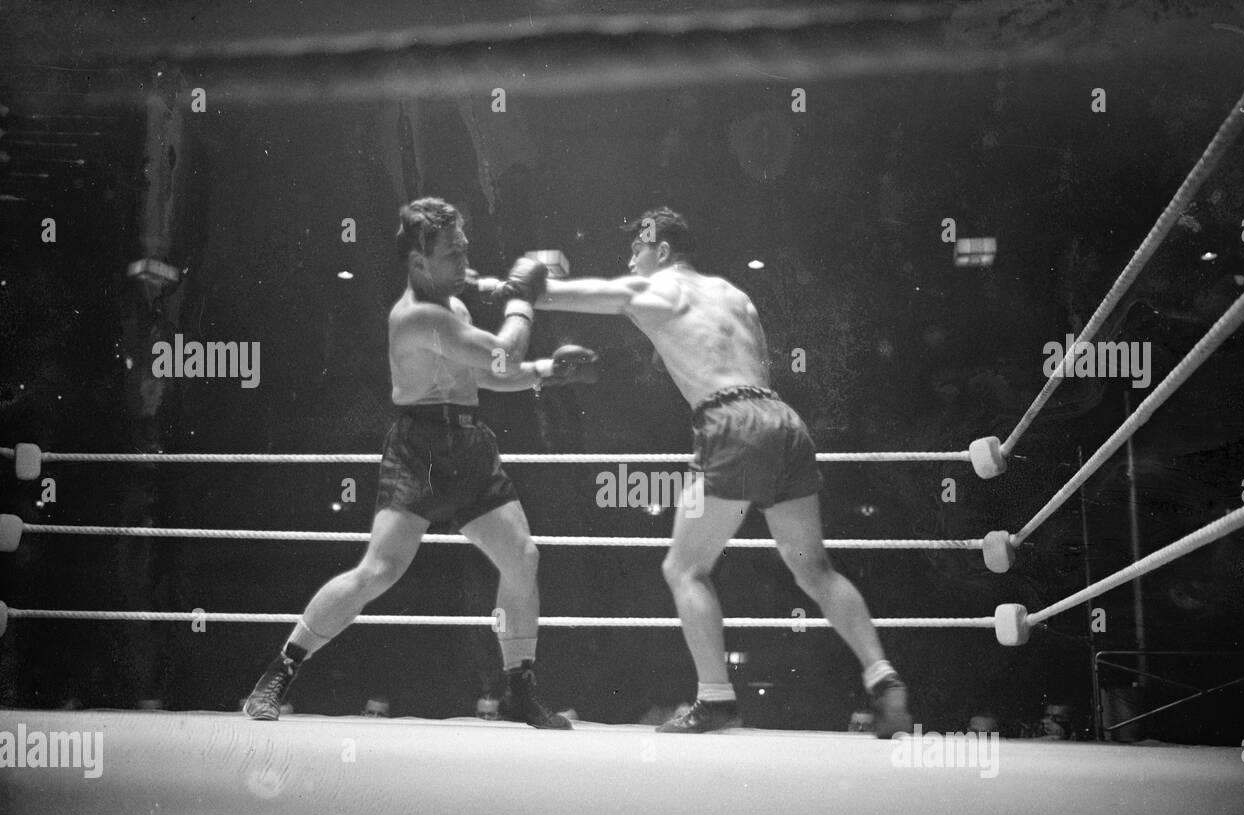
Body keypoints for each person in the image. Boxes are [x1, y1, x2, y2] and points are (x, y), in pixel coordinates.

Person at [531, 206, 912, 735]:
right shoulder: (737, 296)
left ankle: (714, 699)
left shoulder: (654, 293)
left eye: (636, 248)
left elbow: (554, 295)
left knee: (683, 568)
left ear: (661, 251)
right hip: (782, 420)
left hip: (730, 425)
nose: (629, 258)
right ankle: (882, 675)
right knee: (814, 570)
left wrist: (528, 277)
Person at [242, 197, 595, 729]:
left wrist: (546, 372)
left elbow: (488, 377)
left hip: (469, 442)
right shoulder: (419, 318)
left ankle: (520, 690)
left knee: (522, 556)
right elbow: (502, 353)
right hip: (418, 450)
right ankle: (277, 674)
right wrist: (523, 300)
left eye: (465, 251)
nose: (464, 262)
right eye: (452, 254)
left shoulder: (451, 308)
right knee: (377, 571)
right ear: (419, 263)